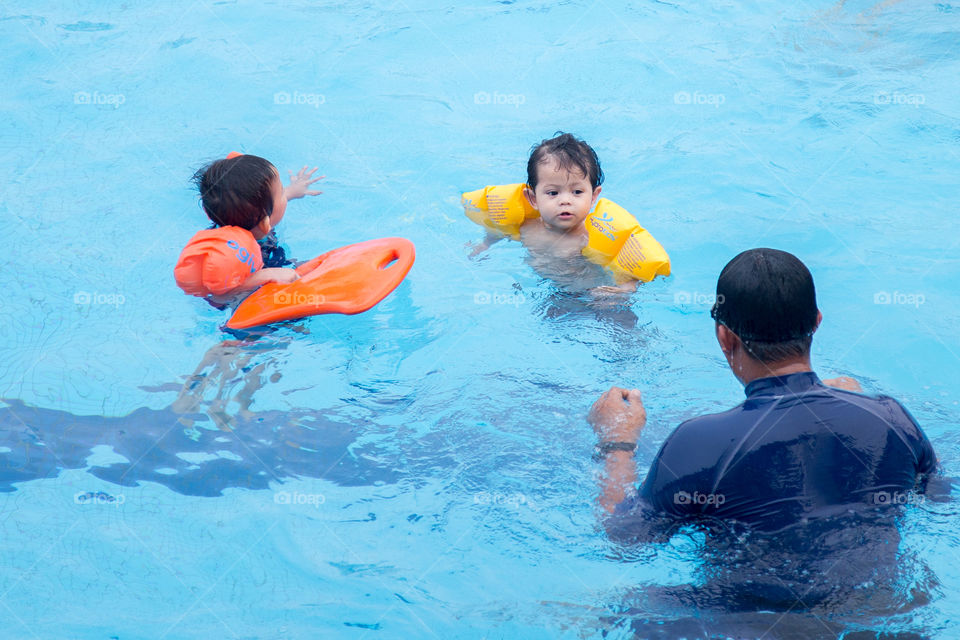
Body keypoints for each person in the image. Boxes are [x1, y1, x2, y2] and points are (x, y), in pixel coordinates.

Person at [588, 248, 937, 537]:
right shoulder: (891, 418)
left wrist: (617, 443)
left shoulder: (696, 443)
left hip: (745, 617)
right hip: (883, 610)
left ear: (725, 337)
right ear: (816, 321)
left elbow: (623, 538)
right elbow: (935, 497)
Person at [471, 133, 639, 294]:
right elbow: (500, 230)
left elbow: (631, 265)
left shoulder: (594, 234)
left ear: (594, 196)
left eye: (577, 192)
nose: (565, 201)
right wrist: (485, 244)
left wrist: (625, 289)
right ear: (533, 198)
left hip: (596, 294)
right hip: (552, 293)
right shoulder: (526, 226)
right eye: (553, 193)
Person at [174, 153, 323, 307]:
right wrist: (262, 276)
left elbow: (268, 204)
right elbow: (218, 298)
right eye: (281, 193)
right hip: (251, 292)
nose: (285, 194)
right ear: (265, 224)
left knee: (314, 268)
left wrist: (294, 190)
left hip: (273, 262)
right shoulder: (229, 255)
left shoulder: (238, 217)